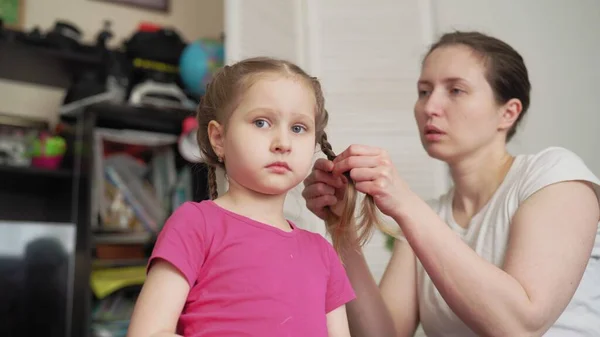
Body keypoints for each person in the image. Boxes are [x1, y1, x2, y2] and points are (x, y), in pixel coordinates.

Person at [302, 31, 600, 337]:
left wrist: (404, 203)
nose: (430, 107)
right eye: (423, 91)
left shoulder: (554, 175)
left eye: (456, 90)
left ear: (508, 113)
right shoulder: (427, 218)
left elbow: (521, 326)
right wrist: (343, 231)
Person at [127, 57, 356, 337]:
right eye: (261, 122)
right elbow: (148, 332)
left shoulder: (323, 253)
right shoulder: (195, 224)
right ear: (218, 138)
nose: (283, 143)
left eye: (298, 128)